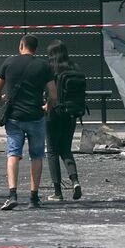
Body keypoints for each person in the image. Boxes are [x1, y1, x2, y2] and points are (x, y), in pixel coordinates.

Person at [0, 34, 57, 210]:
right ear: (35, 48)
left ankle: (12, 194)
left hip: (14, 117)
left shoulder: (9, 62)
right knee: (36, 156)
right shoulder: (44, 66)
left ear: (21, 45)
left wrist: (2, 101)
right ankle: (33, 197)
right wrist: (47, 106)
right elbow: (53, 94)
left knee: (13, 154)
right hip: (35, 116)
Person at [45, 40, 82, 201]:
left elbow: (48, 92)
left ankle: (57, 192)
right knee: (66, 149)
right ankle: (75, 181)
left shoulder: (50, 69)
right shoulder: (75, 67)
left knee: (52, 151)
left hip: (54, 113)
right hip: (71, 113)